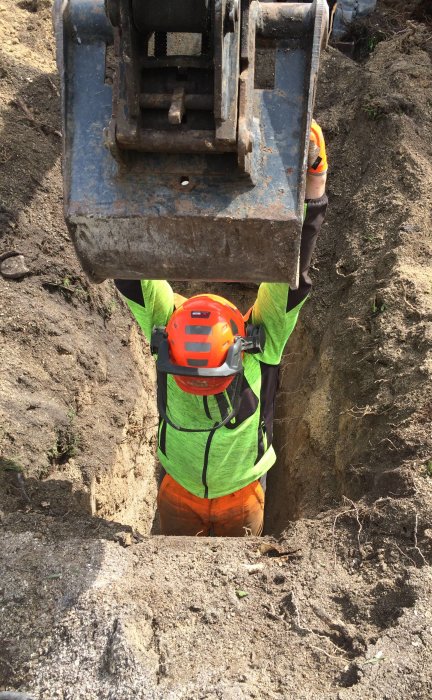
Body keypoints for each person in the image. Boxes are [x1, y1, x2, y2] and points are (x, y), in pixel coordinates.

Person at [115, 122, 328, 537]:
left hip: (239, 493)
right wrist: (313, 181)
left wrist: (315, 186)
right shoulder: (186, 334)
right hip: (181, 489)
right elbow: (129, 270)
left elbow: (293, 272)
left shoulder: (247, 336)